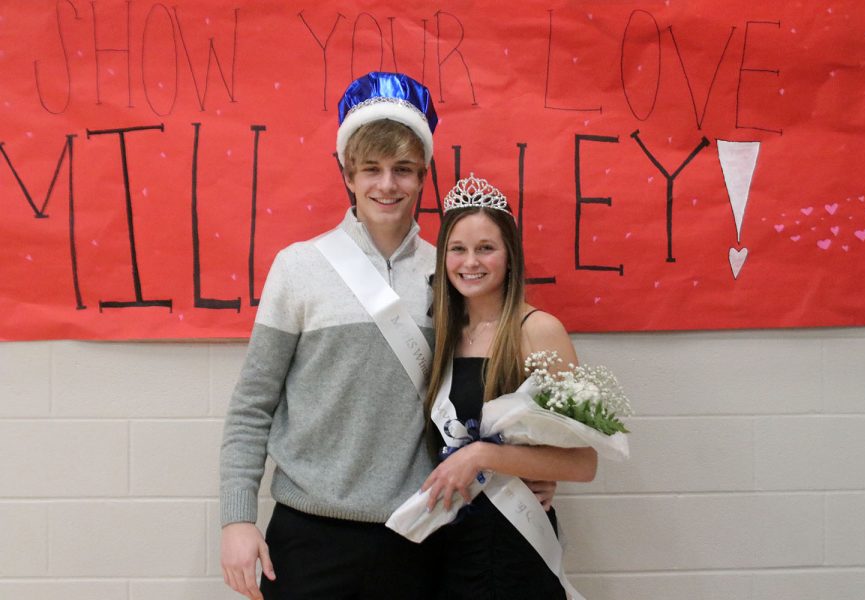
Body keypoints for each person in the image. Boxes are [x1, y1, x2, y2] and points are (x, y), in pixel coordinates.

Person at [218, 71, 442, 600]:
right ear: (348, 174)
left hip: (418, 532)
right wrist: (236, 519)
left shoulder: (448, 273)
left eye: (403, 170)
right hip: (308, 534)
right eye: (372, 169)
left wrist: (521, 472)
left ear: (423, 175)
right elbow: (253, 405)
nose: (387, 185)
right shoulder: (299, 267)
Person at [422, 174, 598, 599]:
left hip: (515, 544)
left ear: (509, 255)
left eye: (486, 248)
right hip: (448, 544)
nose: (471, 262)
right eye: (458, 249)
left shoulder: (537, 331)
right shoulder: (443, 333)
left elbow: (583, 462)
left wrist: (486, 455)